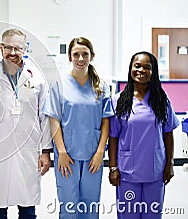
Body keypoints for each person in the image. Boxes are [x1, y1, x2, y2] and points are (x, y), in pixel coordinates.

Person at [0, 29, 52, 219]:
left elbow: (45, 117)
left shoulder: (36, 77)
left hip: (29, 150)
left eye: (17, 48)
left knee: (27, 208)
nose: (12, 52)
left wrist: (45, 152)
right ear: (1, 48)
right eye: (8, 47)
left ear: (25, 49)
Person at [42, 37, 113, 218]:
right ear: (70, 57)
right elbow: (54, 120)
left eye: (85, 54)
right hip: (67, 156)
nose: (80, 59)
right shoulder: (59, 84)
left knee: (90, 205)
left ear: (91, 56)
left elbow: (106, 121)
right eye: (76, 54)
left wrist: (99, 153)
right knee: (68, 206)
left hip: (92, 155)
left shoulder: (100, 86)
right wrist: (62, 152)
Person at [108, 51, 180, 219]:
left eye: (147, 67)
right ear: (130, 69)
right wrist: (113, 167)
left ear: (153, 71)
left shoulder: (161, 100)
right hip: (127, 173)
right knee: (128, 215)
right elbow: (113, 137)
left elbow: (168, 133)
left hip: (155, 170)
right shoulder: (118, 101)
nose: (141, 70)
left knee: (153, 215)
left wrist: (169, 163)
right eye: (137, 66)